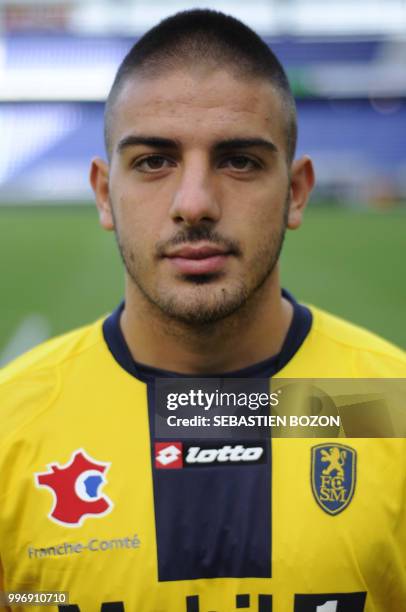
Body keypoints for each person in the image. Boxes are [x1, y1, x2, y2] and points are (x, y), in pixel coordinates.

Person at [0, 9, 405, 612]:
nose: (194, 204)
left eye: (239, 160)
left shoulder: (388, 403)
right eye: (153, 162)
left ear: (295, 192)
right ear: (105, 194)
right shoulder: (12, 424)